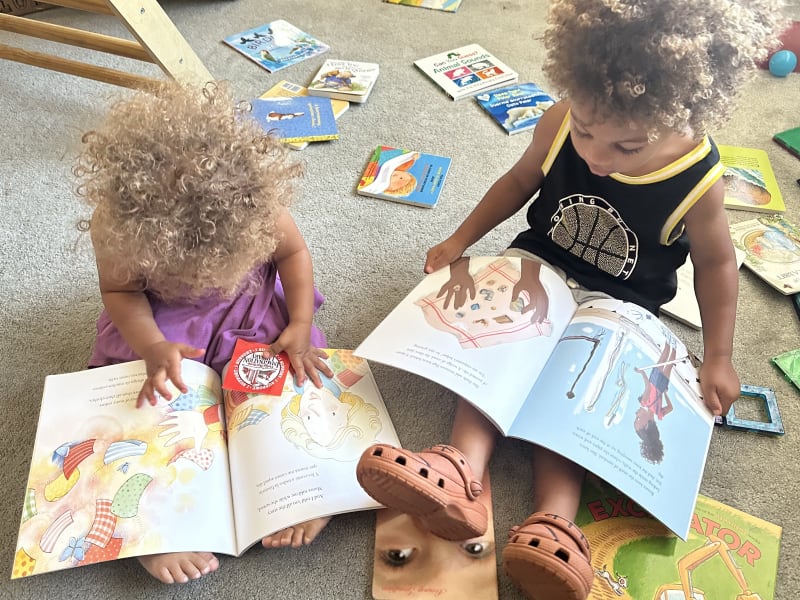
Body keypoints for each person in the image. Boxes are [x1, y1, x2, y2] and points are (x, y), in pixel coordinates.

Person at [356, 1, 786, 599]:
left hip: (623, 301)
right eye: (585, 132)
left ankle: (553, 521)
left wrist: (719, 356)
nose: (596, 157)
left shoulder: (698, 176)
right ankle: (460, 469)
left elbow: (716, 266)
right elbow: (518, 180)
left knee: (576, 397)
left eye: (627, 148)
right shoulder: (562, 117)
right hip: (541, 263)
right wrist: (460, 239)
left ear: (681, 116)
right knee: (496, 349)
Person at [75, 81, 334, 584]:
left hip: (250, 308)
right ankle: (152, 525)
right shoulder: (118, 223)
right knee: (139, 400)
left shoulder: (254, 201)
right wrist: (151, 346)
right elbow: (121, 292)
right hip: (164, 322)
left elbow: (293, 253)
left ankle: (299, 487)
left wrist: (300, 323)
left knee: (295, 372)